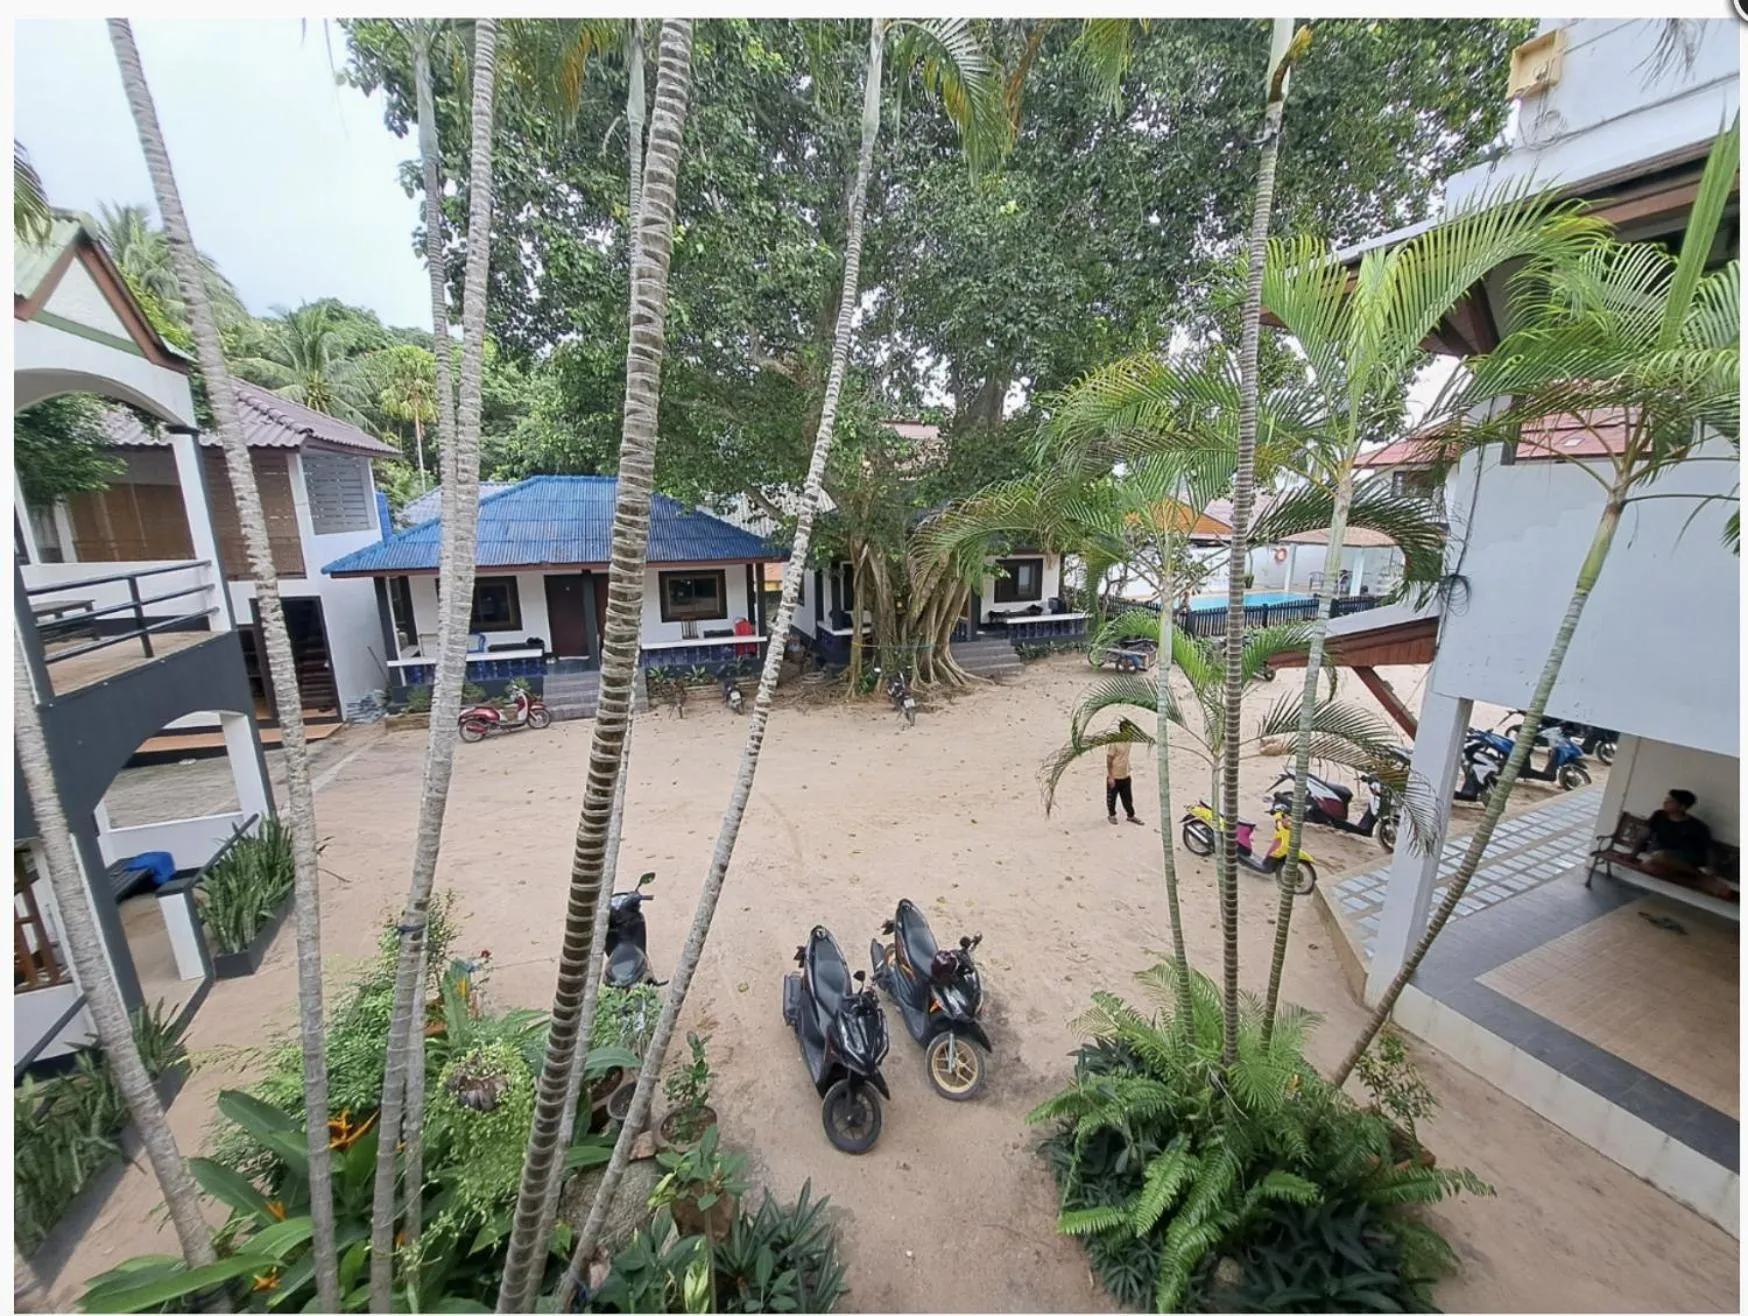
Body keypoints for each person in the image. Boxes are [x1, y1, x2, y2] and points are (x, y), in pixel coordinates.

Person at [1636, 790, 1715, 886]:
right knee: (1648, 866)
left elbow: (1708, 849)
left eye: (1670, 801)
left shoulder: (1697, 826)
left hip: (1684, 858)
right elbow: (1643, 834)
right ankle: (1693, 877)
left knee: (1661, 856)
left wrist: (1711, 870)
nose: (1665, 803)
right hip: (1659, 858)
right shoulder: (1659, 815)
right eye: (1666, 800)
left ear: (1683, 807)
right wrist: (1633, 854)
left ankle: (1700, 876)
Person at [1106, 721, 1143, 826]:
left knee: (1128, 798)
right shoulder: (1115, 743)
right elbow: (1109, 759)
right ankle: (1111, 815)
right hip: (1115, 775)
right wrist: (1110, 777)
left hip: (1125, 774)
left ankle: (1131, 816)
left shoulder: (1129, 740)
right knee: (1112, 799)